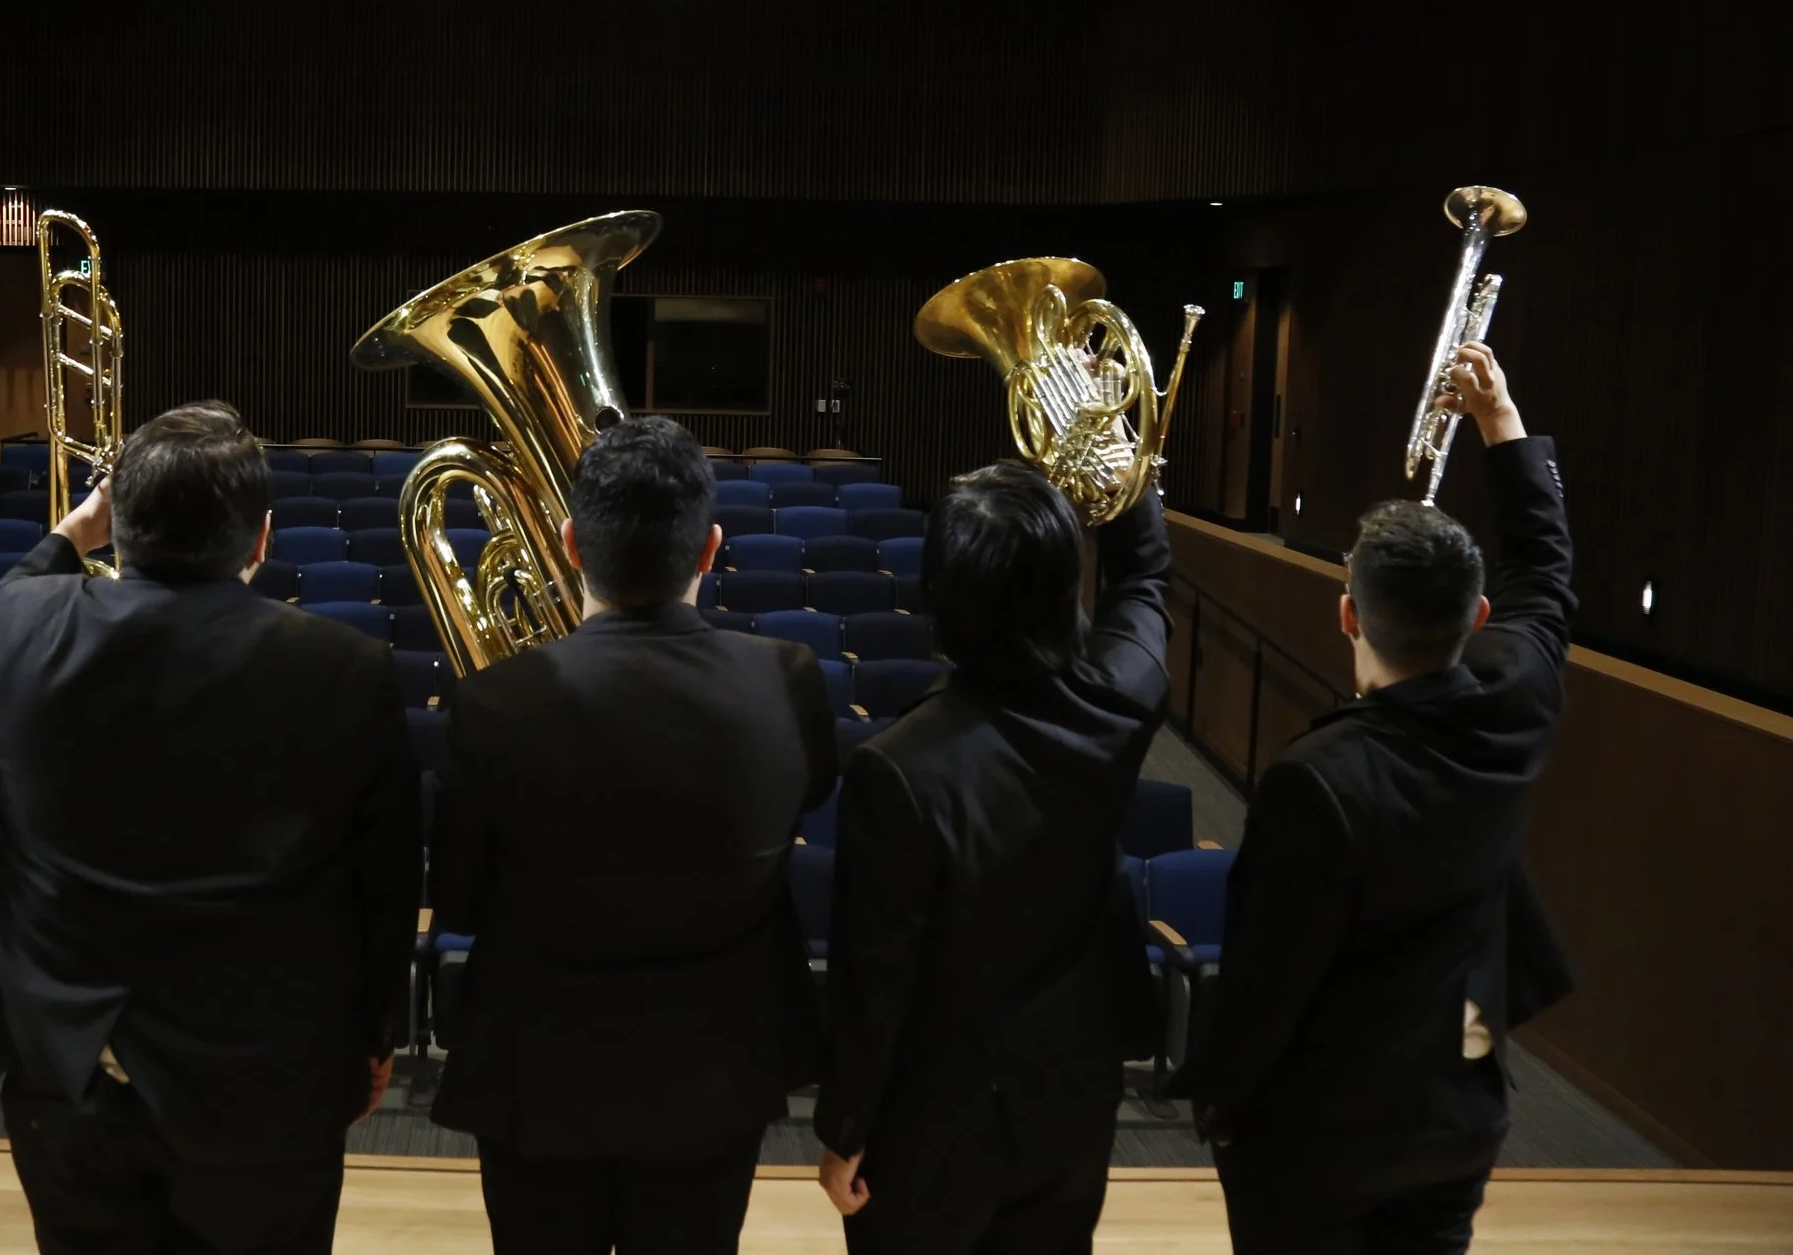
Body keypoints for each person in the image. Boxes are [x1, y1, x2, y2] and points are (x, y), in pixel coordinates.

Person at [0, 401, 421, 1255]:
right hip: (265, 1077)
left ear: (117, 529)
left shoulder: (20, 626)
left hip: (71, 1069)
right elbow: (384, 878)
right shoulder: (344, 667)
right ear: (261, 539)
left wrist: (68, 534)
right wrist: (375, 1032)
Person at [1182, 343, 1573, 1255]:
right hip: (1457, 1117)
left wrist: (1223, 1106)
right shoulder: (1515, 700)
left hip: (1321, 1143)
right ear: (1476, 618)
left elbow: (1268, 979)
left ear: (1347, 612)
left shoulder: (1315, 778)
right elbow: (1545, 580)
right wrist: (1501, 423)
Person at [430, 415, 837, 1255]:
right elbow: (805, 802)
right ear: (712, 547)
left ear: (570, 543)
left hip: (534, 1078)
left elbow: (461, 899)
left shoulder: (491, 700)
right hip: (714, 1077)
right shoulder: (789, 680)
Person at [814, 460, 1174, 1253]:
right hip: (1075, 1094)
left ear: (939, 597)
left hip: (934, 1117)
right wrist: (1126, 474)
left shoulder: (897, 767)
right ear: (1063, 589)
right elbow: (1146, 581)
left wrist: (846, 1127)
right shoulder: (1116, 706)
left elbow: (876, 975)